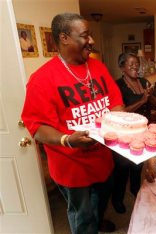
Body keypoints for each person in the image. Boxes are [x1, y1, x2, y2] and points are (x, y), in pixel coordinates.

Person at [21, 13, 124, 234]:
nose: (92, 41)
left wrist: (119, 124)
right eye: (85, 35)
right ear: (65, 38)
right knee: (81, 215)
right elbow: (36, 127)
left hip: (103, 158)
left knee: (100, 203)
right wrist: (67, 140)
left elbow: (116, 102)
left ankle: (97, 223)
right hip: (72, 167)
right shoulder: (41, 80)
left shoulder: (98, 67)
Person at [111, 52, 153, 214]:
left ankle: (135, 190)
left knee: (137, 165)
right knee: (122, 168)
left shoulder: (143, 81)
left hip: (141, 131)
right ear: (122, 67)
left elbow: (155, 104)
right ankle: (117, 199)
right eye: (131, 64)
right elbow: (119, 113)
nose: (136, 67)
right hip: (124, 133)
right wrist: (142, 100)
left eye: (137, 64)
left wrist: (151, 95)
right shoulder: (117, 86)